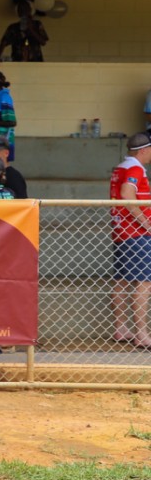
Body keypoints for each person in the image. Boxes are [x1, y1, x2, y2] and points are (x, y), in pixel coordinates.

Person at [110, 132, 151, 348]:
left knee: (122, 280)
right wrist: (147, 224)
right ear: (144, 150)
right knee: (144, 282)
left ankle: (121, 327)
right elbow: (127, 194)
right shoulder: (135, 169)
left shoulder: (121, 167)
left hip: (121, 231)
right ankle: (141, 333)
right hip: (136, 234)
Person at [0, 0, 48, 64]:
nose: (23, 11)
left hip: (35, 61)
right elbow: (3, 43)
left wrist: (31, 29)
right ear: (18, 12)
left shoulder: (37, 24)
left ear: (30, 10)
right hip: (17, 61)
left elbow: (43, 42)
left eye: (25, 9)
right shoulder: (13, 27)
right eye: (21, 9)